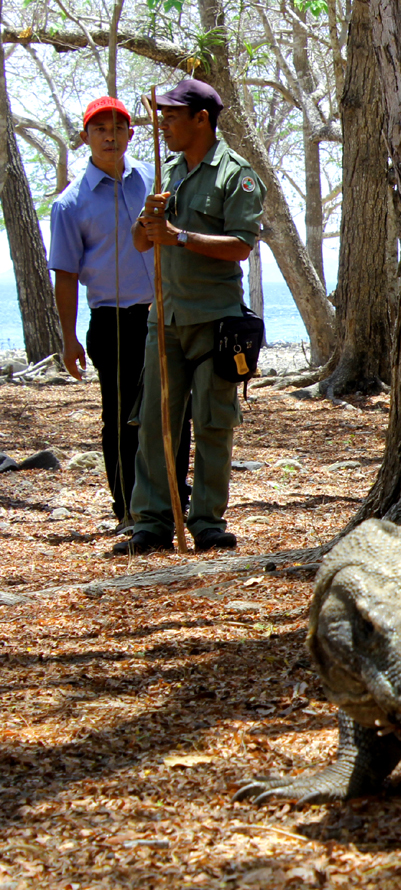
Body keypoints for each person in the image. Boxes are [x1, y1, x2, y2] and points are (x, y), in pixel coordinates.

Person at [115, 78, 265, 555]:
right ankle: (152, 522)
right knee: (156, 423)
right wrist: (149, 222)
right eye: (162, 115)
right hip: (166, 320)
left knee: (213, 421)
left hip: (215, 321)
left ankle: (206, 522)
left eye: (173, 116)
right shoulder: (169, 172)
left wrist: (179, 235)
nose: (164, 124)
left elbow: (241, 244)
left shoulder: (234, 175)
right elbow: (141, 243)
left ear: (202, 119)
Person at [48, 96, 188, 534]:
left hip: (166, 312)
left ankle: (173, 503)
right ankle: (130, 511)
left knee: (175, 412)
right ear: (86, 137)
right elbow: (66, 275)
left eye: (119, 128)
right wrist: (68, 338)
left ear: (131, 134)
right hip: (113, 320)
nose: (110, 137)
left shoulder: (154, 179)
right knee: (123, 416)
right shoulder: (70, 204)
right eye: (100, 129)